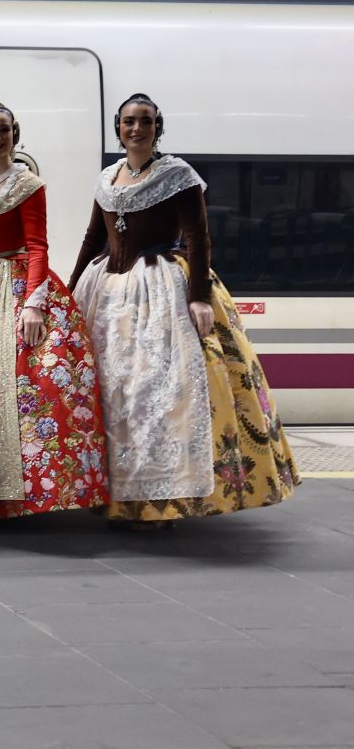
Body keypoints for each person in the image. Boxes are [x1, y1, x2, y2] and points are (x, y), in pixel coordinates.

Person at [69, 93, 299, 522]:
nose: (136, 128)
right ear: (117, 127)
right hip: (106, 292)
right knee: (108, 392)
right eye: (128, 121)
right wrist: (68, 294)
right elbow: (91, 239)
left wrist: (198, 297)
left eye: (145, 121)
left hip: (160, 290)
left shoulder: (178, 175)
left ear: (158, 127)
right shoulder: (108, 178)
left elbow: (198, 238)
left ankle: (162, 499)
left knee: (155, 393)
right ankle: (114, 491)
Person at [0, 101, 108, 517]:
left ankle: (10, 494)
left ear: (15, 134)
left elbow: (37, 246)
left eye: (3, 130)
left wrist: (34, 303)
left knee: (10, 389)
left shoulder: (28, 184)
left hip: (11, 285)